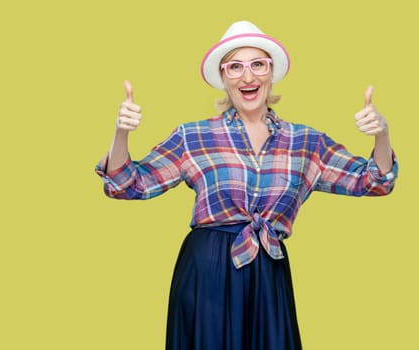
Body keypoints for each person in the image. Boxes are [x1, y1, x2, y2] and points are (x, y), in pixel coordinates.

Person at [95, 20, 398, 350]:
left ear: (271, 73)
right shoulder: (193, 136)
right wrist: (120, 133)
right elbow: (127, 185)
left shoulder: (306, 142)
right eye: (235, 67)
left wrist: (381, 134)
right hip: (206, 272)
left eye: (258, 64)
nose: (248, 76)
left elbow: (374, 181)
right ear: (224, 78)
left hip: (268, 273)